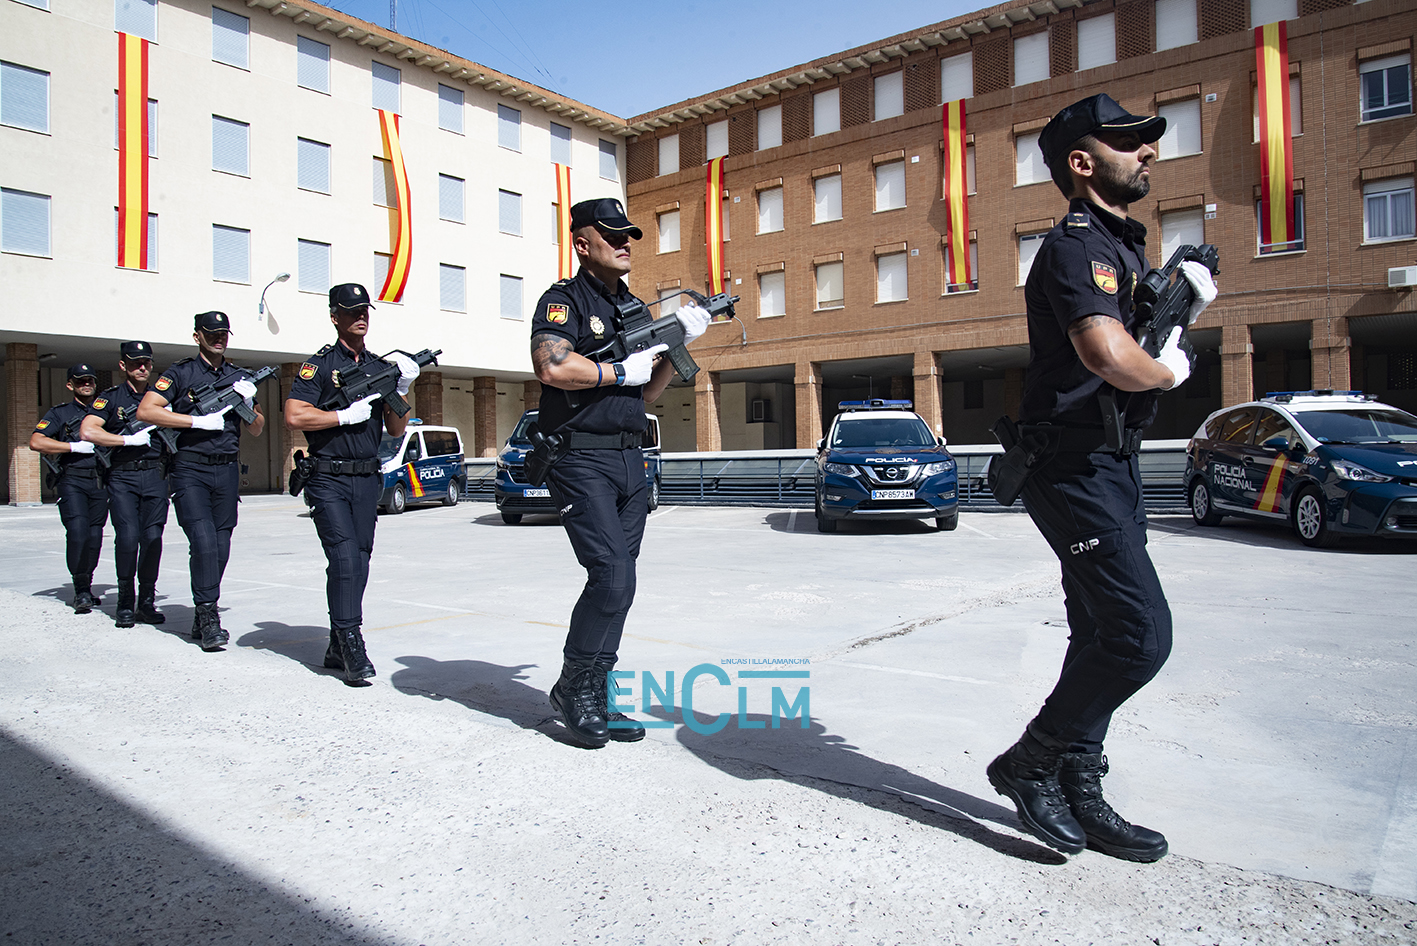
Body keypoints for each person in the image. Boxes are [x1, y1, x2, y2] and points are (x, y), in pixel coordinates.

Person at [985, 94, 1216, 862]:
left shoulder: (1121, 249)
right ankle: (1030, 763)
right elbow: (1106, 357)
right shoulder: (1075, 246)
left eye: (1148, 140)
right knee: (1137, 635)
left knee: (1096, 633)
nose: (1148, 150)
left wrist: (1179, 304)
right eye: (1128, 142)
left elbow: (1131, 339)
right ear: (1081, 163)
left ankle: (1079, 785)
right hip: (1071, 465)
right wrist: (1167, 370)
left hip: (1108, 461)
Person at [529, 197, 711, 747]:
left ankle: (596, 684)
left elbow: (647, 389)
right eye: (612, 234)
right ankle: (575, 686)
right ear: (583, 243)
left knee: (621, 582)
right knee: (611, 574)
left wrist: (677, 341)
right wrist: (614, 368)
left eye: (629, 233)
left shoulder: (632, 308)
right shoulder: (562, 301)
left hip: (631, 457)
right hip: (581, 457)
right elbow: (552, 364)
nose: (625, 241)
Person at [284, 283, 420, 684]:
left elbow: (396, 428)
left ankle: (334, 640)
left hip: (366, 477)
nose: (360, 315)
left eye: (364, 309)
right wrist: (342, 417)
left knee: (358, 561)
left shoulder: (379, 367)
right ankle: (350, 641)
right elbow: (295, 415)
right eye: (351, 310)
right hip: (328, 477)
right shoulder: (319, 366)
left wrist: (400, 387)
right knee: (344, 558)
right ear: (334, 317)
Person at [137, 312, 265, 651]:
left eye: (224, 333)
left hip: (225, 470)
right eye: (212, 334)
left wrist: (248, 402)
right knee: (204, 542)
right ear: (197, 336)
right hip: (190, 469)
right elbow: (147, 411)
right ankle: (209, 616)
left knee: (220, 547)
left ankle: (201, 608)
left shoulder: (238, 376)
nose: (219, 339)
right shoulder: (180, 373)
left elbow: (257, 427)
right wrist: (195, 423)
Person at [81, 341, 169, 628]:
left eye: (145, 362)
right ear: (123, 366)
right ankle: (124, 601)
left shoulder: (162, 396)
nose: (141, 367)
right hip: (123, 476)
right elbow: (88, 430)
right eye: (134, 362)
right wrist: (124, 440)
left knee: (153, 538)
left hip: (155, 475)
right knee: (129, 538)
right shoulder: (111, 398)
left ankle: (146, 601)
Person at [29, 364, 108, 613]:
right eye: (80, 380)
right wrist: (72, 448)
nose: (87, 384)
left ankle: (88, 582)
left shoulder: (106, 411)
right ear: (70, 385)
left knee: (95, 537)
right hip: (73, 480)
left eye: (90, 380)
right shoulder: (60, 413)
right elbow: (36, 441)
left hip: (99, 480)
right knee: (78, 532)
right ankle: (80, 588)